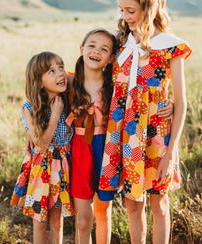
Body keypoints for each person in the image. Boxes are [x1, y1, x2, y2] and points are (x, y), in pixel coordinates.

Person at [99, 0, 192, 244]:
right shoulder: (120, 45)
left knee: (158, 202)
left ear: (148, 7)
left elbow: (181, 101)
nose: (125, 16)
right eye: (122, 10)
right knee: (132, 203)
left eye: (131, 10)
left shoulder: (169, 46)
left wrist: (171, 150)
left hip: (157, 137)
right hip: (125, 136)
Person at [10, 51, 75, 244]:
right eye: (51, 71)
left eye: (61, 68)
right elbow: (41, 145)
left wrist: (64, 75)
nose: (60, 74)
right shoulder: (30, 107)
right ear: (39, 82)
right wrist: (55, 115)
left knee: (57, 222)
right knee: (40, 221)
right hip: (41, 168)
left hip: (62, 167)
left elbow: (78, 76)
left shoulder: (69, 99)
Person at [65, 28, 118, 244]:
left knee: (103, 214)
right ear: (81, 49)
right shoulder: (69, 82)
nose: (97, 51)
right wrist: (30, 127)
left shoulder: (114, 85)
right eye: (92, 45)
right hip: (79, 148)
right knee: (84, 220)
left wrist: (169, 105)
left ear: (111, 58)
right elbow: (36, 98)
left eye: (104, 49)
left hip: (106, 148)